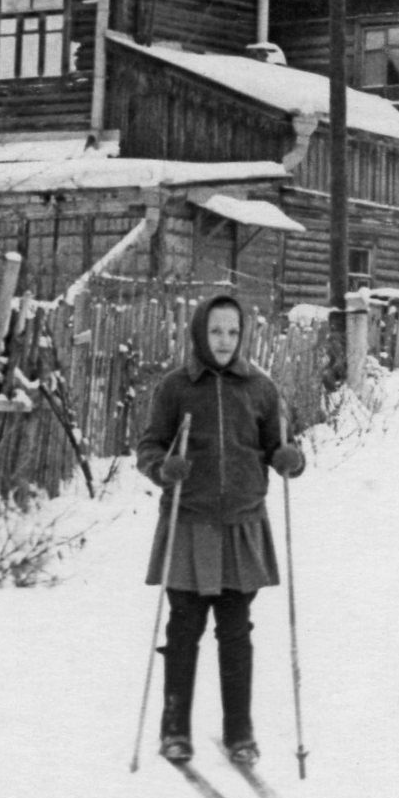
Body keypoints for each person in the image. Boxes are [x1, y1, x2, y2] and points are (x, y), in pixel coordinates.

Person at [136, 293, 306, 767]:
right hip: (189, 523)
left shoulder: (260, 389)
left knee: (235, 632)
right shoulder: (176, 388)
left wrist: (290, 459)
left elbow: (280, 444)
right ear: (199, 333)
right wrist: (162, 467)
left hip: (241, 524)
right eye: (216, 331)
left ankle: (240, 734)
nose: (225, 340)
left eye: (232, 331)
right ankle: (174, 730)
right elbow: (149, 445)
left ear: (243, 335)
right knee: (184, 628)